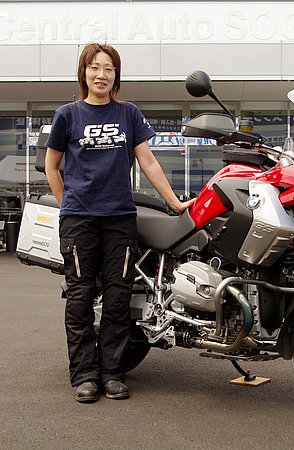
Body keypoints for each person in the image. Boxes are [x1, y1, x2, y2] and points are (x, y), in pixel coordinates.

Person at [44, 43, 194, 403]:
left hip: (121, 218)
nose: (101, 75)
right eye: (95, 68)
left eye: (108, 69)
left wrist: (174, 203)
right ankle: (83, 375)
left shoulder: (128, 114)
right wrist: (69, 205)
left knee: (117, 298)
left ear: (116, 76)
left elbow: (149, 163)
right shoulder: (67, 114)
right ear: (84, 73)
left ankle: (112, 372)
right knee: (80, 297)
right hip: (80, 221)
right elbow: (51, 167)